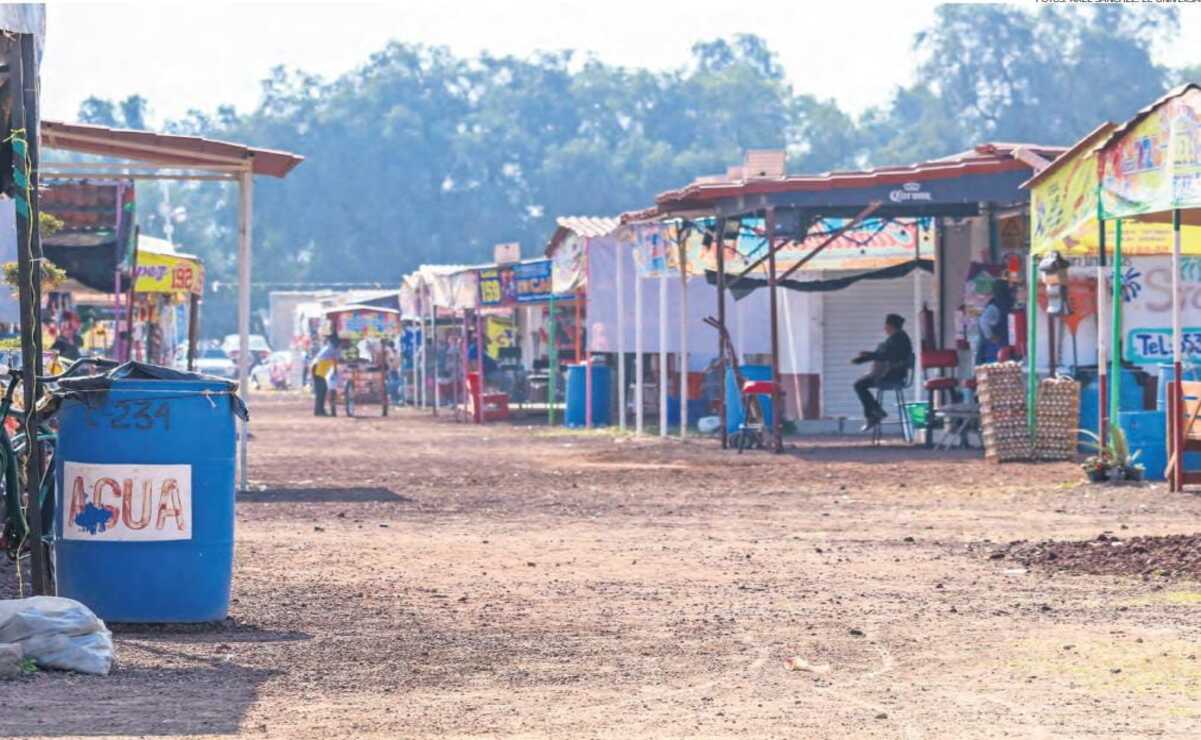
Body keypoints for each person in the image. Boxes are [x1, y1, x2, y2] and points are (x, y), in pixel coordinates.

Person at [851, 313, 914, 431]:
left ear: (890, 326)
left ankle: (874, 413)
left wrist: (867, 357)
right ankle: (875, 412)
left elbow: (886, 356)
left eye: (886, 325)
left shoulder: (898, 339)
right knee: (860, 384)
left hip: (893, 374)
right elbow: (883, 354)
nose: (884, 328)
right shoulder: (898, 337)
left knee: (859, 385)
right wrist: (868, 356)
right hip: (893, 372)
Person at [976, 280, 1013, 365]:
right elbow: (983, 321)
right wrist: (991, 337)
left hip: (1006, 347)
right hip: (994, 349)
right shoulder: (994, 307)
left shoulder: (1007, 304)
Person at [310, 335, 339, 416]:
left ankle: (319, 410)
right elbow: (335, 360)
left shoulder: (329, 347)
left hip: (318, 367)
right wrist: (335, 370)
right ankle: (319, 411)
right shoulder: (334, 348)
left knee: (321, 390)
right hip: (319, 368)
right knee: (321, 390)